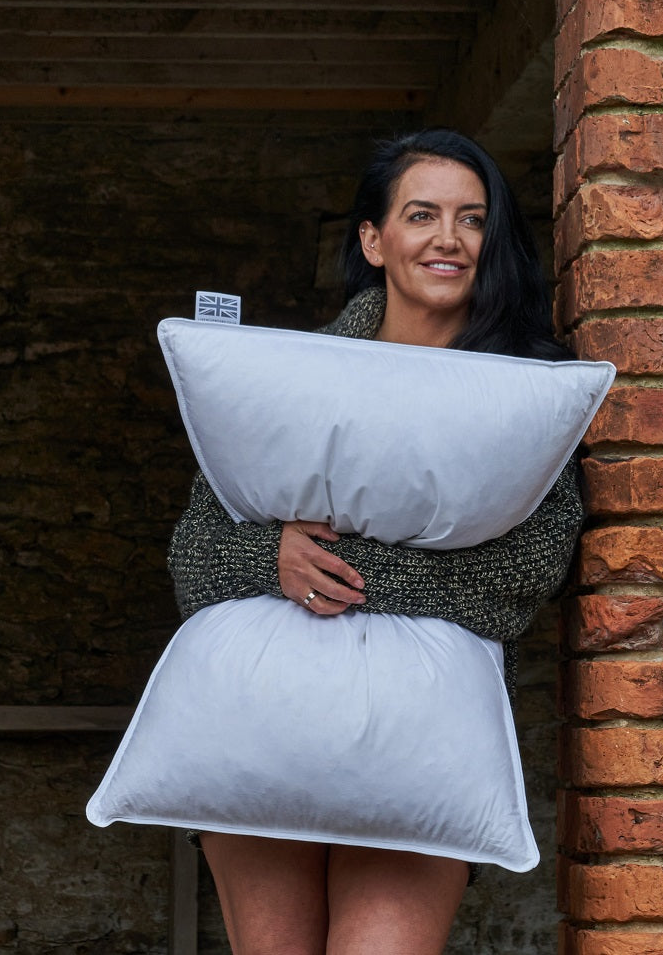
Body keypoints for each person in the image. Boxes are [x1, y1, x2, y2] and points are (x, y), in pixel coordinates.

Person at [167, 129, 584, 955]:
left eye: (472, 218)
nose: (447, 238)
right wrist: (270, 558)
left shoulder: (523, 389)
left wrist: (349, 569)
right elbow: (192, 550)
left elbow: (530, 566)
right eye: (421, 214)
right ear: (373, 238)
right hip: (267, 719)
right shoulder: (292, 372)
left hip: (419, 734)